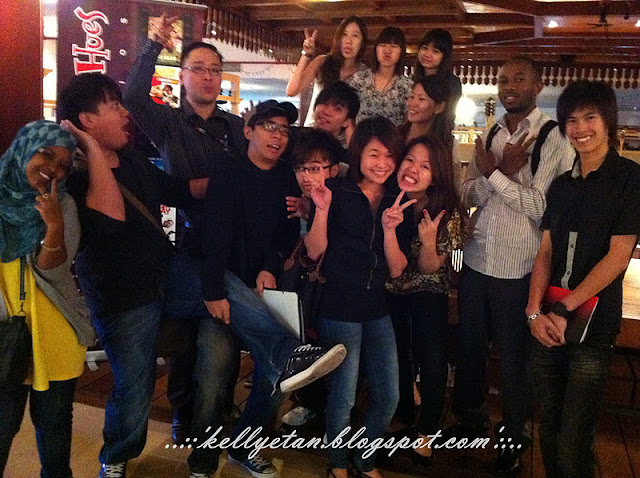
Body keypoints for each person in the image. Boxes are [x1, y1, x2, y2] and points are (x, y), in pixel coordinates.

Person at [200, 101, 347, 478]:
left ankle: (244, 447)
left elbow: (283, 235)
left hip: (264, 289)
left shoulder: (285, 178)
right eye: (269, 126)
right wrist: (214, 289)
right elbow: (213, 236)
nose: (278, 135)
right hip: (220, 286)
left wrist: (268, 267)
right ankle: (201, 462)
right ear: (248, 130)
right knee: (214, 374)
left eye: (283, 129)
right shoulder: (228, 171)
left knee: (274, 372)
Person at [124, 13, 246, 446]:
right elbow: (132, 96)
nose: (209, 77)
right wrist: (154, 43)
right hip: (187, 240)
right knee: (184, 334)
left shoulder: (236, 128)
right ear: (183, 76)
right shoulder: (168, 122)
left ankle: (219, 409)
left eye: (215, 70)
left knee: (224, 330)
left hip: (230, 244)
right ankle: (181, 412)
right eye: (199, 69)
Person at [451, 56, 575, 476]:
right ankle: (470, 421)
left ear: (538, 85)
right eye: (503, 79)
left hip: (520, 268)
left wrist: (496, 176)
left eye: (519, 78)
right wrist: (497, 173)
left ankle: (513, 439)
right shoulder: (491, 132)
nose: (509, 86)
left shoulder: (552, 137)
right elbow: (468, 194)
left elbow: (541, 206)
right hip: (477, 259)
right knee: (470, 350)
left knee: (514, 362)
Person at [527, 80, 640, 478]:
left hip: (593, 327)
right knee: (549, 425)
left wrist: (563, 308)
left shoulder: (629, 179)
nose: (580, 128)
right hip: (547, 322)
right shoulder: (561, 185)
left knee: (576, 435)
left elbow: (618, 257)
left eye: (589, 117)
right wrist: (533, 312)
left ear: (608, 121)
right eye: (571, 120)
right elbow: (546, 251)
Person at [305, 116, 414, 478]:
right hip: (338, 306)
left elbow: (397, 269)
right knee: (344, 394)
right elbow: (314, 250)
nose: (382, 163)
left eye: (390, 155)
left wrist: (390, 230)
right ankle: (337, 462)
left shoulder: (398, 200)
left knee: (390, 394)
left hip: (377, 307)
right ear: (358, 155)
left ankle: (365, 458)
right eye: (374, 154)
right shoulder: (335, 190)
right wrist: (321, 210)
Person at [0, 121, 95, 477]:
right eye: (45, 154)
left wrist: (53, 225)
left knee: (53, 427)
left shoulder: (63, 204)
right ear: (24, 148)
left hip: (55, 332)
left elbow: (54, 271)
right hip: (3, 331)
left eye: (64, 165)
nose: (53, 168)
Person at [385, 135, 466, 465]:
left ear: (437, 174)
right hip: (392, 289)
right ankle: (405, 413)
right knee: (398, 355)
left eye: (425, 166)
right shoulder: (389, 199)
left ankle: (428, 429)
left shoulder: (448, 211)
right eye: (409, 160)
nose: (413, 170)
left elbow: (431, 267)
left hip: (429, 290)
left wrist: (429, 242)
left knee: (431, 359)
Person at [280, 128, 344, 428]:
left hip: (331, 289)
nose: (306, 176)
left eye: (315, 168)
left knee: (327, 345)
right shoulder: (294, 200)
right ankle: (311, 402)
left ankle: (329, 409)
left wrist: (316, 211)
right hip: (303, 287)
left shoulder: (342, 202)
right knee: (305, 340)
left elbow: (320, 249)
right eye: (300, 168)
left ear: (333, 170)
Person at [286, 16, 367, 127]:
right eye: (344, 34)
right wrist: (306, 54)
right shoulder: (323, 61)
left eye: (355, 36)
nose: (348, 41)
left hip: (345, 135)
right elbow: (292, 90)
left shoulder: (365, 73)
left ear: (362, 42)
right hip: (314, 129)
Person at [400, 75, 462, 186]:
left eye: (421, 99)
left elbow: (451, 184)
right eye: (412, 97)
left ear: (439, 107)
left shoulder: (447, 144)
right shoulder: (397, 134)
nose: (412, 103)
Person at [347, 27, 413, 126]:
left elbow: (408, 123)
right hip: (360, 135)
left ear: (401, 51)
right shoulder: (360, 79)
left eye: (393, 46)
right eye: (382, 45)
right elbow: (348, 115)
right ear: (376, 49)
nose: (387, 51)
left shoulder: (407, 85)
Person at [412, 28, 462, 124]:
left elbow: (449, 115)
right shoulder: (413, 80)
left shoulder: (451, 83)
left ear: (444, 56)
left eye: (435, 51)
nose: (427, 54)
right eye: (425, 48)